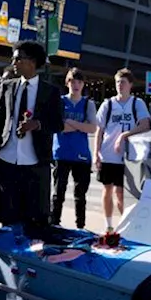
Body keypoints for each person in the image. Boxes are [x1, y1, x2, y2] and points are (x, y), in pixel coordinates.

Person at [0, 41, 64, 230]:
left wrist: (37, 124)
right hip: (7, 159)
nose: (13, 62)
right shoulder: (7, 86)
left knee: (34, 220)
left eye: (17, 58)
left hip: (35, 162)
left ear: (31, 62)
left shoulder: (51, 91)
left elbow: (58, 123)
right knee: (8, 217)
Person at [94, 69, 150, 231]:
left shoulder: (137, 103)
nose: (120, 85)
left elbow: (145, 124)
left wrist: (125, 135)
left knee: (122, 192)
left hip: (129, 155)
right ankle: (109, 224)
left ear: (130, 85)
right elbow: (99, 129)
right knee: (108, 189)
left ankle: (125, 225)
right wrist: (96, 153)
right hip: (108, 154)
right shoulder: (108, 104)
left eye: (123, 82)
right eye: (118, 82)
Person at [52, 68, 98, 229]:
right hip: (61, 153)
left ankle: (80, 226)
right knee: (58, 193)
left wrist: (70, 123)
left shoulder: (88, 104)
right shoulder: (59, 102)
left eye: (79, 81)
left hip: (82, 155)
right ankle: (55, 224)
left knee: (80, 195)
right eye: (72, 81)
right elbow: (58, 127)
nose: (76, 84)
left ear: (83, 84)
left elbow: (93, 128)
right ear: (67, 83)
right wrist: (80, 126)